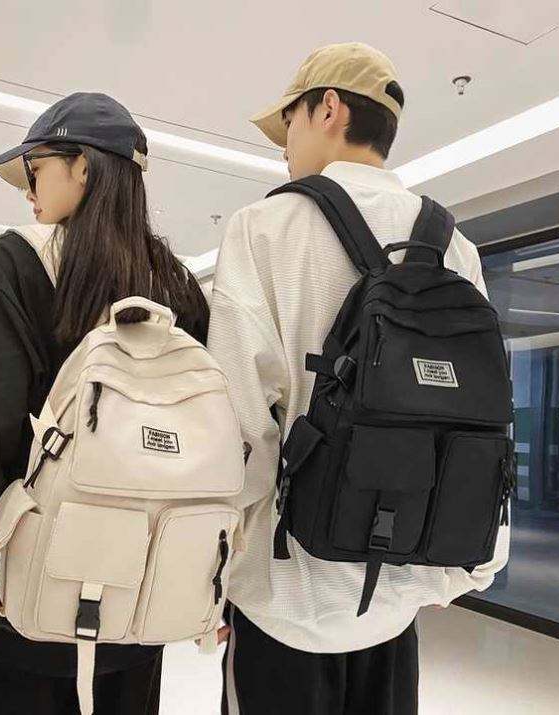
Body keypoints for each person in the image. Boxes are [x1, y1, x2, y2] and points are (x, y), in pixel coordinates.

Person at [208, 43, 510, 714]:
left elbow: (239, 427)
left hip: (287, 596)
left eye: (288, 123)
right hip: (400, 596)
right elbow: (483, 414)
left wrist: (217, 576)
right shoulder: (453, 244)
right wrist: (466, 563)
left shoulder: (264, 227)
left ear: (328, 108)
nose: (284, 147)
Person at [0, 92, 209, 714]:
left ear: (83, 167)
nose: (28, 192)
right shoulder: (180, 289)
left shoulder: (17, 260)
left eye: (36, 169)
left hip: (22, 601)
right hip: (139, 604)